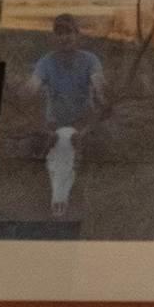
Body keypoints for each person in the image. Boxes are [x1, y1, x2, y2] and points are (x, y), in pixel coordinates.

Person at [28, 15, 106, 217]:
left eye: (68, 32)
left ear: (76, 34)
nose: (64, 37)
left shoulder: (90, 60)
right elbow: (32, 86)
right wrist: (25, 91)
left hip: (82, 123)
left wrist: (101, 92)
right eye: (59, 33)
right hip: (53, 125)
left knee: (85, 150)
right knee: (55, 152)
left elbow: (98, 83)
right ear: (54, 37)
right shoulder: (46, 63)